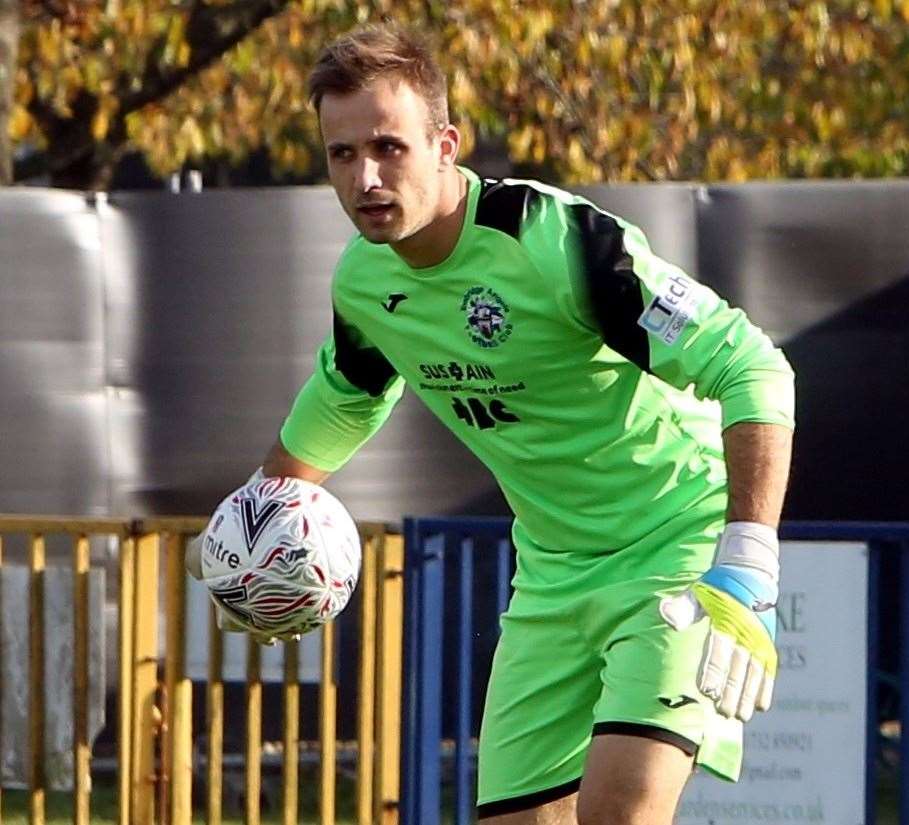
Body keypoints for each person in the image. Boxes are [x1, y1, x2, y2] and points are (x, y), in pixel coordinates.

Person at [193, 24, 794, 825]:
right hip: (550, 577)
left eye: (388, 147)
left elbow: (752, 367)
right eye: (342, 155)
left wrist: (746, 565)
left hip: (673, 554)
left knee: (616, 814)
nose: (365, 177)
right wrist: (251, 545)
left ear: (445, 143)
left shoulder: (552, 241)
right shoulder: (366, 281)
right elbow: (345, 399)